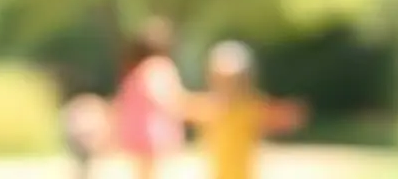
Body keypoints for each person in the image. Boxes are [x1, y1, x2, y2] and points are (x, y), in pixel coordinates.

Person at [185, 40, 306, 179]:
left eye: (232, 79)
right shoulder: (207, 106)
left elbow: (282, 118)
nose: (228, 84)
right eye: (222, 78)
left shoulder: (250, 106)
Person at [115, 17, 186, 179]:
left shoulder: (134, 70)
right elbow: (163, 96)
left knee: (143, 173)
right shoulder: (158, 66)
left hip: (135, 131)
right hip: (154, 131)